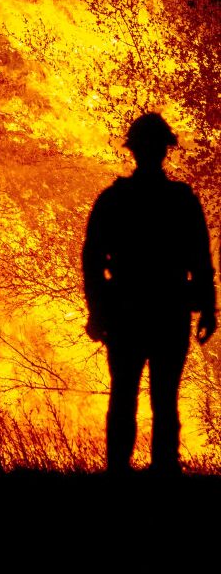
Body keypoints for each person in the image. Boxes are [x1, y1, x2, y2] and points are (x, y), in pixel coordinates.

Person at [82, 112, 217, 475]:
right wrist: (208, 309)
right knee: (164, 399)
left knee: (123, 395)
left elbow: (92, 261)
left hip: (125, 311)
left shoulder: (113, 200)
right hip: (168, 311)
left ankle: (118, 471)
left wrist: (97, 310)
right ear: (165, 150)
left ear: (134, 150)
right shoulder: (181, 201)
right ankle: (163, 472)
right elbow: (201, 260)